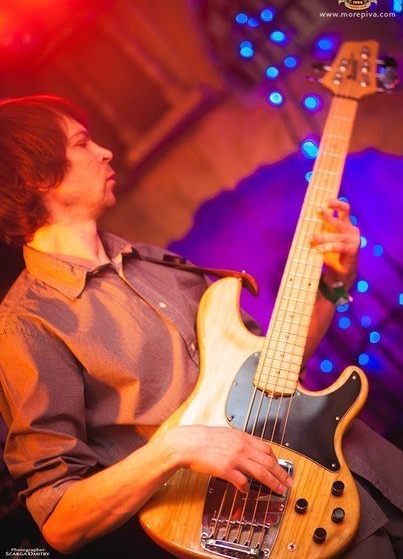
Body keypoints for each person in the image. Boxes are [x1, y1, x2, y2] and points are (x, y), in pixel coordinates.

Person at [0, 95, 401, 558]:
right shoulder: (27, 325)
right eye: (82, 143)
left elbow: (273, 369)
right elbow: (59, 519)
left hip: (372, 471)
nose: (104, 152)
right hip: (285, 522)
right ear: (36, 175)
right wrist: (175, 448)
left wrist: (333, 282)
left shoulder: (153, 260)